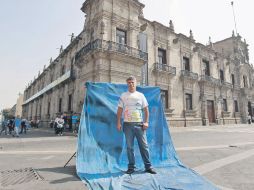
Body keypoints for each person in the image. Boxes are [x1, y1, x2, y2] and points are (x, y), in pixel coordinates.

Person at [116, 76, 156, 174]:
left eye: (132, 82)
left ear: (135, 83)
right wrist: (118, 122)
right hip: (127, 125)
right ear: (127, 84)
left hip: (139, 125)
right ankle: (131, 167)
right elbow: (119, 110)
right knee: (129, 147)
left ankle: (148, 166)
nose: (131, 84)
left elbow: (146, 110)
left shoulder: (141, 95)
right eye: (129, 82)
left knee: (144, 146)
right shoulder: (123, 95)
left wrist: (146, 122)